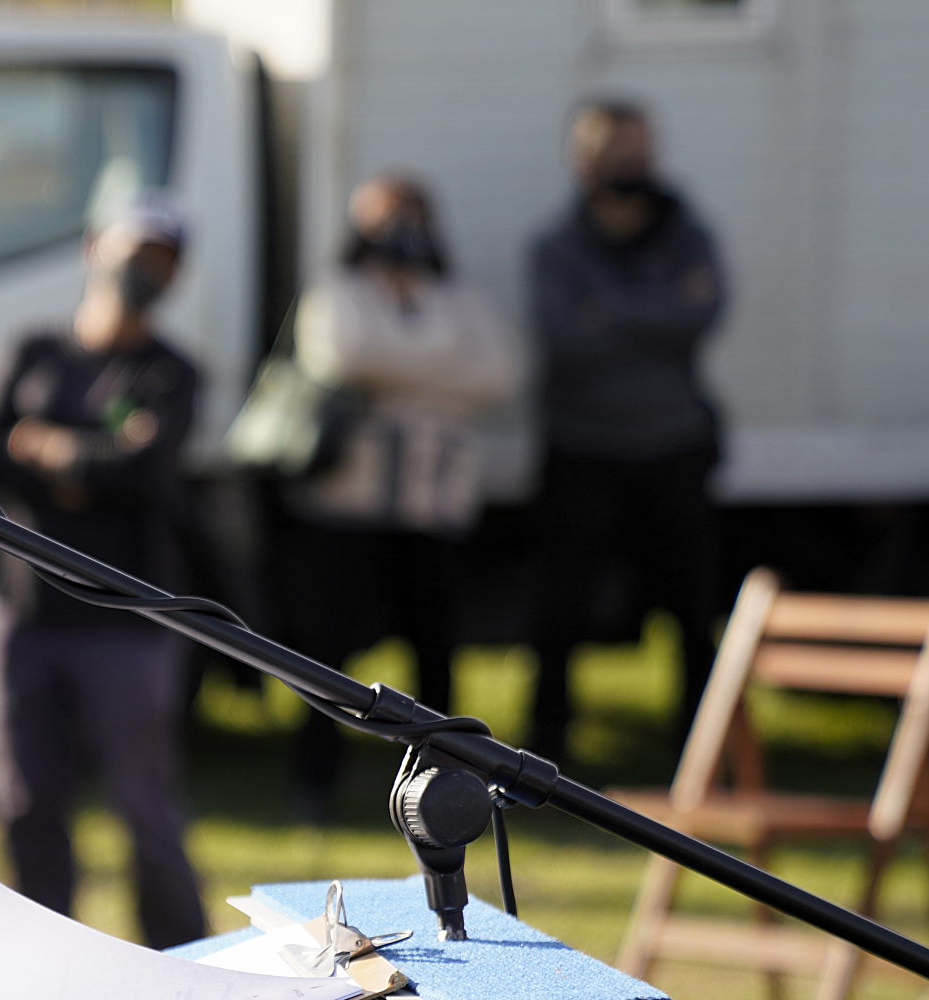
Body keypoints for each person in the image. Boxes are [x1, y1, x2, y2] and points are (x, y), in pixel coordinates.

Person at [0, 198, 207, 948]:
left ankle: (184, 965)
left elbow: (148, 472)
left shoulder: (172, 371)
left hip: (124, 624)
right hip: (17, 613)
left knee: (145, 808)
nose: (143, 271)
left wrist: (51, 449)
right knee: (22, 801)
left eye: (162, 259)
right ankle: (46, 961)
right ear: (96, 246)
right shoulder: (34, 348)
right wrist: (93, 457)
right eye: (135, 250)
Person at [275, 174, 520, 817]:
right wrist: (441, 371)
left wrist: (397, 368)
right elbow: (341, 355)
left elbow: (498, 374)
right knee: (326, 650)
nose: (399, 232)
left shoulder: (457, 297)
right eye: (383, 219)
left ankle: (444, 784)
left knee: (434, 650)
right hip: (347, 505)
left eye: (410, 217)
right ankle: (315, 779)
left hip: (430, 505)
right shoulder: (339, 291)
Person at [527, 100, 730, 762]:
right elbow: (566, 334)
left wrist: (610, 310)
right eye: (614, 151)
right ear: (582, 160)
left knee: (692, 612)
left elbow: (702, 312)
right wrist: (656, 310)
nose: (630, 165)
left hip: (673, 448)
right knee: (558, 610)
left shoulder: (689, 236)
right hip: (581, 449)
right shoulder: (555, 246)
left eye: (640, 149)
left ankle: (699, 753)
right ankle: (546, 744)